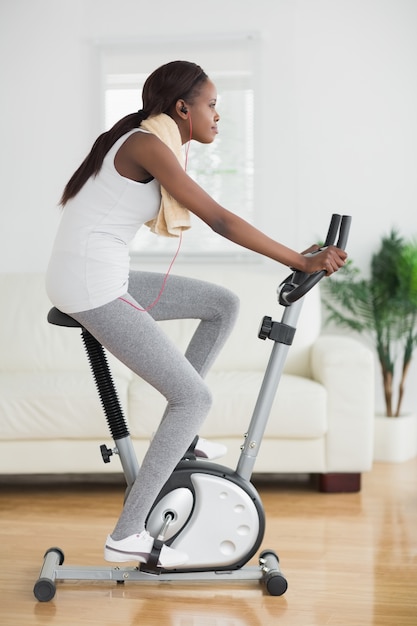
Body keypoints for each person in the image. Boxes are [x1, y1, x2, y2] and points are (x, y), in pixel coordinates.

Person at [46, 60, 347, 568]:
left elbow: (221, 218)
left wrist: (302, 256)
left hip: (99, 275)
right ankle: (126, 533)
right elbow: (221, 220)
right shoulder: (146, 145)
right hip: (91, 285)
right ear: (182, 108)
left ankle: (181, 429)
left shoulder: (149, 141)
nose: (217, 116)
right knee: (194, 397)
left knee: (221, 304)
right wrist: (300, 261)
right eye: (211, 105)